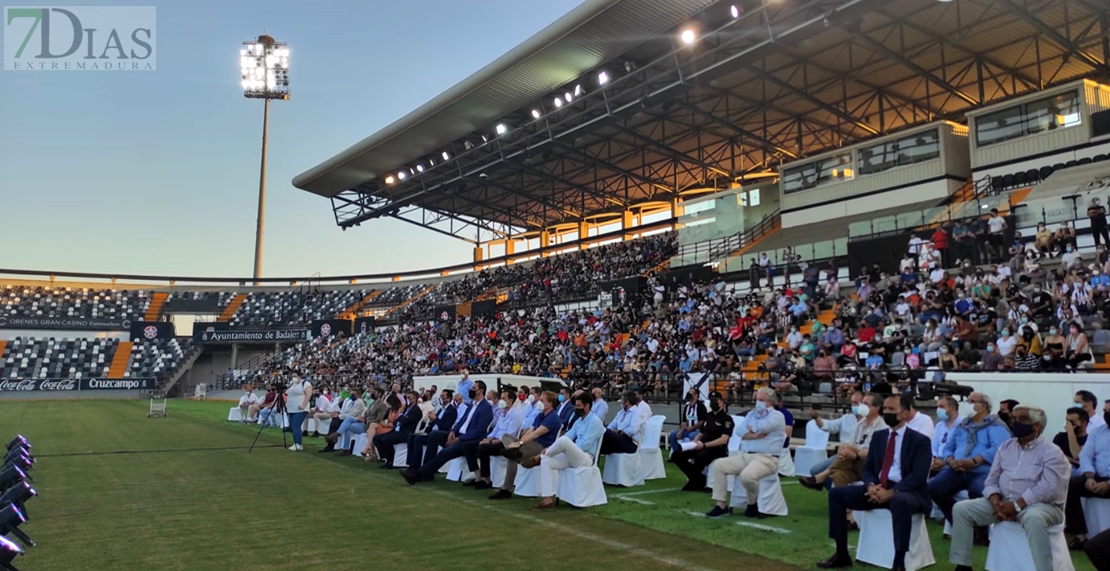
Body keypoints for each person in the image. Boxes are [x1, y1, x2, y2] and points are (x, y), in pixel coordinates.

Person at [816, 393, 932, 570]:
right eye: (885, 408)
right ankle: (841, 554)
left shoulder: (920, 441)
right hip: (878, 487)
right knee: (837, 494)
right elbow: (869, 468)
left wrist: (893, 492)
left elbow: (918, 476)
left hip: (907, 492)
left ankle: (899, 561)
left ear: (905, 414)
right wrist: (870, 485)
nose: (887, 412)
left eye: (891, 409)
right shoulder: (879, 437)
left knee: (900, 502)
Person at [949, 406, 1071, 571]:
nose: (1015, 422)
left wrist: (1016, 505)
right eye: (1014, 418)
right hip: (1003, 502)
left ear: (1037, 426)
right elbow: (991, 480)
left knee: (1034, 518)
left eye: (1022, 419)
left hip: (1041, 506)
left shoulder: (1052, 452)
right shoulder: (1006, 447)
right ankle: (963, 565)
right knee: (961, 509)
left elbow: (1049, 489)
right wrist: (995, 502)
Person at [929, 392, 1011, 525]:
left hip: (984, 471)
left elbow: (999, 448)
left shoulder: (995, 425)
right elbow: (949, 447)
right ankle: (958, 522)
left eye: (971, 401)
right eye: (967, 401)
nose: (967, 404)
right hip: (958, 470)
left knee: (978, 491)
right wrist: (950, 460)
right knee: (933, 487)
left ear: (983, 405)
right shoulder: (963, 425)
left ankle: (980, 530)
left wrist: (974, 461)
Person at [705, 388, 785, 519]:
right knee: (719, 465)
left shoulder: (777, 416)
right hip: (746, 455)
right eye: (757, 399)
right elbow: (740, 431)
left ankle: (752, 503)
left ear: (770, 402)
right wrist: (754, 435)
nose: (757, 402)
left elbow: (763, 428)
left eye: (761, 400)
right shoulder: (751, 414)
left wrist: (751, 429)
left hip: (766, 458)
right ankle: (721, 505)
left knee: (747, 475)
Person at [400, 382, 494, 485]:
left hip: (469, 440)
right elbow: (462, 421)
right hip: (459, 435)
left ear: (480, 391)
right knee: (434, 434)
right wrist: (453, 431)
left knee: (445, 453)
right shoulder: (472, 404)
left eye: (474, 388)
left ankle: (419, 475)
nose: (471, 390)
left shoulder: (486, 408)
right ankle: (427, 471)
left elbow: (479, 430)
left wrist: (459, 438)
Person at [531, 393, 606, 510]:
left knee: (564, 441)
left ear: (587, 406)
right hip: (573, 455)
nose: (576, 408)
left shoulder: (595, 421)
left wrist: (567, 448)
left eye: (579, 406)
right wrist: (561, 449)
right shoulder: (579, 421)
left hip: (586, 458)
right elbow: (569, 436)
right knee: (546, 461)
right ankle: (547, 499)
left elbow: (585, 444)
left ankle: (538, 457)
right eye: (576, 406)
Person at [799, 393, 887, 490]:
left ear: (877, 408)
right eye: (862, 403)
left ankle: (822, 476)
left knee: (818, 469)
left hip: (869, 464)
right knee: (838, 475)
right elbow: (848, 440)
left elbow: (874, 452)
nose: (860, 406)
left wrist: (853, 454)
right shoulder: (858, 423)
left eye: (866, 404)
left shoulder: (883, 427)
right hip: (849, 459)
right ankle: (841, 503)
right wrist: (842, 449)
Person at [488, 391, 563, 500]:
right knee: (505, 436)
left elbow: (536, 433)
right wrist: (519, 442)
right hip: (530, 443)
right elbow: (530, 430)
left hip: (541, 446)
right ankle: (513, 450)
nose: (539, 402)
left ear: (550, 403)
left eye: (542, 400)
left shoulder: (552, 418)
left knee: (512, 456)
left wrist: (520, 443)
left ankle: (506, 490)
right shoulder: (540, 415)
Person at [1064, 406, 1110, 550]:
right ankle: (1080, 535)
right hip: (1096, 477)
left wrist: (1108, 483)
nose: (1106, 414)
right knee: (1069, 485)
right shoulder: (1098, 432)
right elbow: (1085, 456)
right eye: (1106, 411)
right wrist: (1089, 476)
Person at [671, 391, 735, 492]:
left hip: (716, 448)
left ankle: (694, 482)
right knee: (676, 455)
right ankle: (698, 479)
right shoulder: (708, 416)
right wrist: (694, 443)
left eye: (716, 400)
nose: (714, 403)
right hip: (702, 445)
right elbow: (701, 433)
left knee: (699, 457)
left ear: (722, 402)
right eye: (712, 400)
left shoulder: (727, 419)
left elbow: (724, 440)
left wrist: (704, 445)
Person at [466, 388, 525, 490]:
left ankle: (486, 480)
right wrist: (487, 439)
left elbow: (508, 435)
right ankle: (478, 476)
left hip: (506, 444)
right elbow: (495, 430)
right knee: (467, 446)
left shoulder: (515, 415)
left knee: (482, 448)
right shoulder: (502, 413)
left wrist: (491, 441)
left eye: (503, 398)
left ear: (510, 401)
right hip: (494, 440)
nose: (501, 400)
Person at [805, 391, 864, 481]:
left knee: (833, 473)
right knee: (815, 470)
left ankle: (821, 478)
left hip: (856, 456)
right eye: (852, 402)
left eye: (856, 403)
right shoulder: (847, 418)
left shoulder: (868, 422)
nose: (853, 405)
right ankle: (832, 490)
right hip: (841, 454)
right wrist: (816, 417)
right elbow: (830, 426)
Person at [405, 389, 457, 470]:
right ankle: (412, 465)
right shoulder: (440, 410)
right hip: (432, 432)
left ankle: (425, 467)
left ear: (449, 398)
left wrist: (435, 418)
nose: (441, 398)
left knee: (425, 437)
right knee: (412, 437)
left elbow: (445, 426)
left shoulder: (452, 410)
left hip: (441, 434)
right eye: (440, 396)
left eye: (443, 396)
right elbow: (434, 423)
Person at [373, 390, 421, 469]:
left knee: (386, 439)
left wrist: (401, 416)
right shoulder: (406, 409)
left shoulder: (416, 410)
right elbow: (397, 421)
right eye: (406, 397)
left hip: (406, 433)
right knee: (377, 438)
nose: (407, 399)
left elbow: (404, 421)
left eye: (409, 397)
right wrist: (399, 419)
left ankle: (390, 460)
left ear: (415, 398)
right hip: (397, 430)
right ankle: (385, 458)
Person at [600, 391, 650, 455]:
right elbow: (612, 424)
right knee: (602, 434)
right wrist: (609, 430)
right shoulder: (621, 412)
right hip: (620, 439)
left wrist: (619, 432)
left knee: (605, 434)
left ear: (627, 402)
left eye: (622, 400)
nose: (621, 402)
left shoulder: (637, 412)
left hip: (631, 442)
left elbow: (633, 429)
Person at [669, 387, 707, 459]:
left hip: (698, 430)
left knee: (691, 436)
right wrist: (681, 431)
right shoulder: (687, 407)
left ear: (696, 395)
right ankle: (677, 454)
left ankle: (690, 456)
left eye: (691, 392)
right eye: (689, 392)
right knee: (673, 435)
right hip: (687, 429)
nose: (689, 394)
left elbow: (702, 421)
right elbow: (684, 421)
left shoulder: (701, 407)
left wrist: (693, 427)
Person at [332, 387, 368, 457]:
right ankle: (345, 448)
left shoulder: (359, 403)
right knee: (347, 426)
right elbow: (346, 412)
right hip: (354, 420)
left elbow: (352, 414)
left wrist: (339, 416)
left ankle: (337, 435)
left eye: (353, 394)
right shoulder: (352, 402)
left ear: (358, 395)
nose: (351, 396)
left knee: (348, 419)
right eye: (351, 394)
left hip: (359, 421)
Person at [1053, 407, 1089, 473]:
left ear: (1084, 424)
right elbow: (1054, 456)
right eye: (1067, 421)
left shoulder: (1090, 439)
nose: (1069, 425)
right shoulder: (1060, 437)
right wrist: (1074, 461)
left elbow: (1078, 456)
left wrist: (1071, 433)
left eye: (1072, 422)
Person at [932, 395, 962, 475]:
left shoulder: (963, 425)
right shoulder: (939, 425)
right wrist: (934, 459)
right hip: (936, 463)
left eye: (941, 406)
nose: (938, 409)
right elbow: (934, 446)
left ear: (951, 408)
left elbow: (961, 449)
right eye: (938, 406)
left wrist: (945, 462)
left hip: (952, 464)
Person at [283, 374, 312, 452]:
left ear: (299, 376)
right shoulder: (292, 384)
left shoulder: (305, 384)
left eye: (295, 376)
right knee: (292, 426)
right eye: (292, 376)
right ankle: (295, 442)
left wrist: (303, 404)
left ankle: (298, 444)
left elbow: (308, 395)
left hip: (300, 409)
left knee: (296, 426)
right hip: (291, 409)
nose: (293, 377)